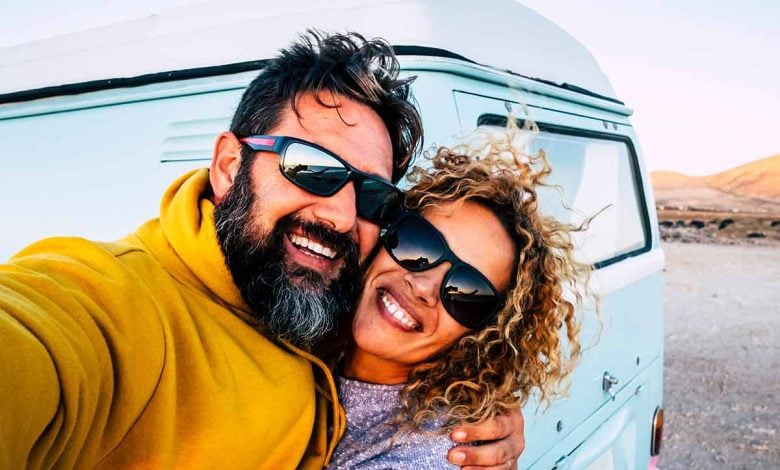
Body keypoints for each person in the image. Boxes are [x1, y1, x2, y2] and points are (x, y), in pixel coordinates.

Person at [0, 31, 523, 469]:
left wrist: (495, 405)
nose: (340, 216)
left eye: (371, 195)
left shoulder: (324, 298)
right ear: (229, 166)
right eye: (312, 167)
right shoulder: (113, 309)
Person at [329, 132, 590, 468]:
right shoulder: (306, 320)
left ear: (482, 336)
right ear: (385, 235)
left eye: (467, 293)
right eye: (419, 245)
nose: (424, 286)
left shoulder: (432, 455)